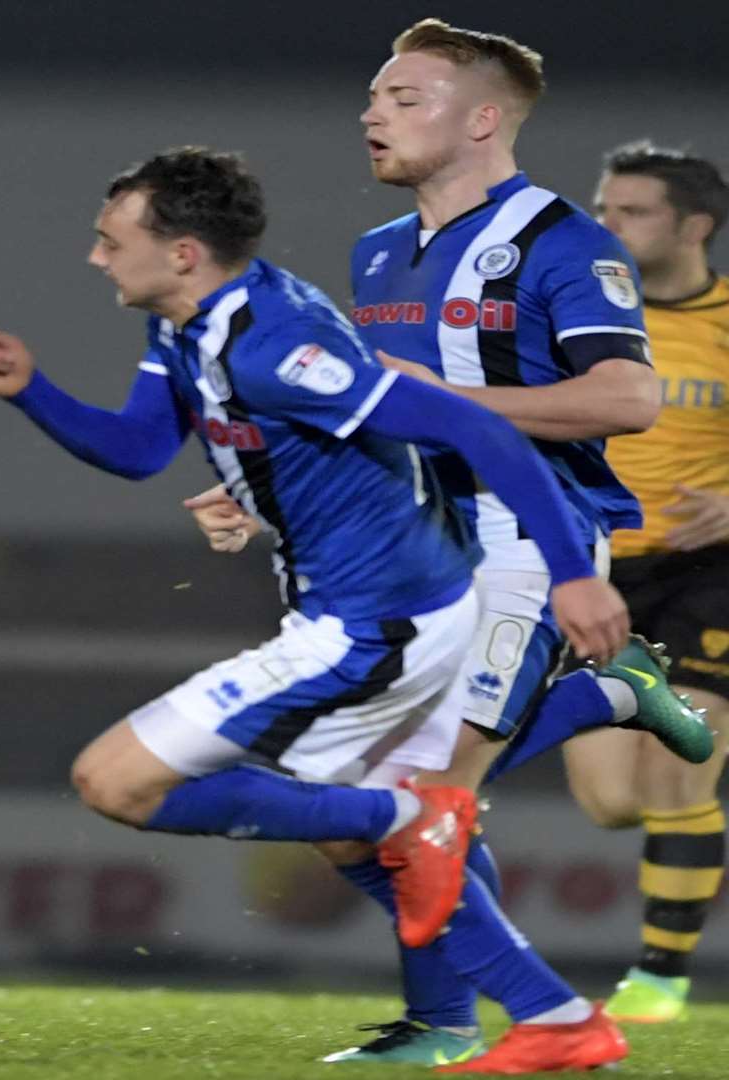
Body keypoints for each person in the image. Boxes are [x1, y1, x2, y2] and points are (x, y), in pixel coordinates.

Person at [0, 146, 632, 1071]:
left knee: (116, 783)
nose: (95, 257)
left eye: (111, 240)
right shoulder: (189, 325)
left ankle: (415, 820)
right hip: (374, 611)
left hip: (374, 625)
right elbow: (139, 449)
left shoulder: (275, 345)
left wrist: (573, 575)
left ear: (185, 252)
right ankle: (552, 1017)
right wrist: (29, 389)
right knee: (343, 830)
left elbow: (473, 427)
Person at [184, 20, 703, 1072]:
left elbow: (631, 396)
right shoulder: (377, 253)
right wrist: (262, 492)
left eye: (404, 97)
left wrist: (454, 400)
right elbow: (370, 411)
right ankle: (605, 694)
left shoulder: (566, 243)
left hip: (526, 541)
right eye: (373, 97)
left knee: (421, 803)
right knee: (354, 818)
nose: (373, 114)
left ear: (482, 119)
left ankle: (447, 1026)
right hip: (408, 551)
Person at [549, 143, 729, 1023]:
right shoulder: (570, 317)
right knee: (614, 803)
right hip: (600, 573)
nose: (606, 226)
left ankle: (658, 980)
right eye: (602, 207)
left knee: (678, 784)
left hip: (710, 576)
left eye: (631, 212)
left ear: (693, 227)